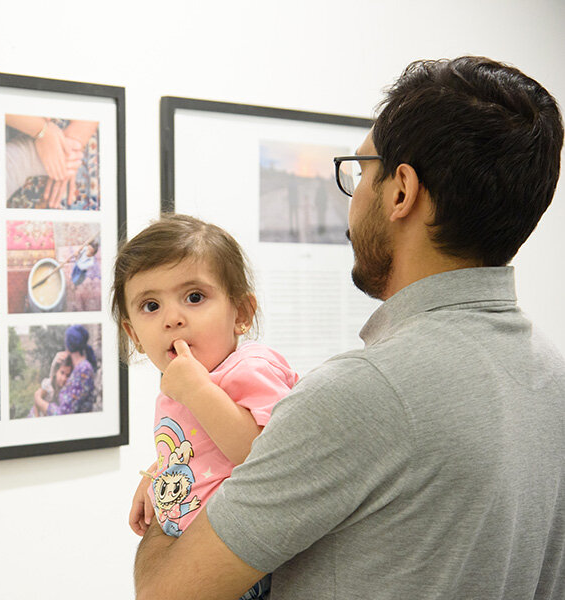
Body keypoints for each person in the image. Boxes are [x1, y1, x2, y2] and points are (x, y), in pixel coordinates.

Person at [134, 56, 565, 600]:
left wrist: (162, 506)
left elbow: (165, 592)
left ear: (401, 191)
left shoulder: (359, 393)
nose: (353, 196)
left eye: (361, 172)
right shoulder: (554, 376)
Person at [113, 215, 298, 600]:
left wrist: (197, 390)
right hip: (193, 555)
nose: (173, 318)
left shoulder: (250, 367)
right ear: (133, 333)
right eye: (150, 305)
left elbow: (269, 457)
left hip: (244, 567)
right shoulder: (181, 381)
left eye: (195, 297)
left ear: (242, 314)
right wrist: (157, 474)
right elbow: (199, 447)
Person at [32, 325, 98, 416]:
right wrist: (54, 366)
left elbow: (63, 413)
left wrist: (38, 401)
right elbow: (54, 384)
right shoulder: (79, 368)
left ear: (68, 346)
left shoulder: (83, 369)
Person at [30, 352, 73, 417]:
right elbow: (36, 400)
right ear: (56, 371)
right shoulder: (48, 385)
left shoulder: (68, 388)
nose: (64, 378)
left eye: (67, 375)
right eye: (62, 373)